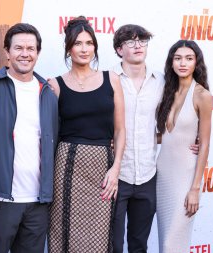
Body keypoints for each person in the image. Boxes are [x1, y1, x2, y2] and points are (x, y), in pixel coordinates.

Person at [48, 16, 126, 252]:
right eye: (78, 43)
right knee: (63, 230)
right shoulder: (56, 84)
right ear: (68, 48)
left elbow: (120, 129)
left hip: (103, 166)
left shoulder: (111, 79)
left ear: (95, 47)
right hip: (67, 165)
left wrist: (116, 168)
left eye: (89, 43)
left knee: (99, 235)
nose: (84, 49)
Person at [0, 23, 58, 253]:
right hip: (0, 199)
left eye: (31, 48)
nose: (25, 54)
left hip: (38, 202)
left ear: (38, 53)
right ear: (7, 52)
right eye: (18, 48)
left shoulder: (48, 92)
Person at [156, 40, 212, 253]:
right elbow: (164, 137)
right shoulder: (167, 93)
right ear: (171, 62)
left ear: (196, 62)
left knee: (173, 244)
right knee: (165, 243)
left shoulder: (202, 95)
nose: (183, 63)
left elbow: (205, 143)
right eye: (178, 58)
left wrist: (195, 189)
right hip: (162, 176)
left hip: (185, 178)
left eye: (189, 58)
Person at [111, 24, 163, 253]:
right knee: (112, 244)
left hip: (148, 176)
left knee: (139, 244)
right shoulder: (108, 80)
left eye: (142, 40)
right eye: (131, 42)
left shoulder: (161, 82)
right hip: (116, 175)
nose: (138, 45)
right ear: (119, 49)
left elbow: (177, 116)